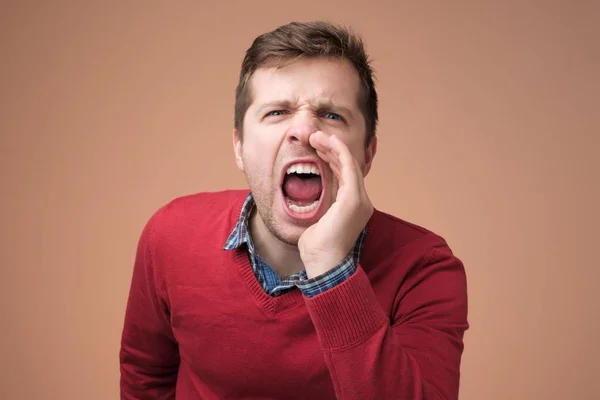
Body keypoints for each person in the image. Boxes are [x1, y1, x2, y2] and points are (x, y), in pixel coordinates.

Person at [119, 20, 469, 400]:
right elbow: (145, 380)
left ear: (366, 154)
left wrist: (331, 268)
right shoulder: (170, 235)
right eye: (277, 112)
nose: (303, 131)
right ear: (239, 147)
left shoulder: (424, 267)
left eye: (332, 115)